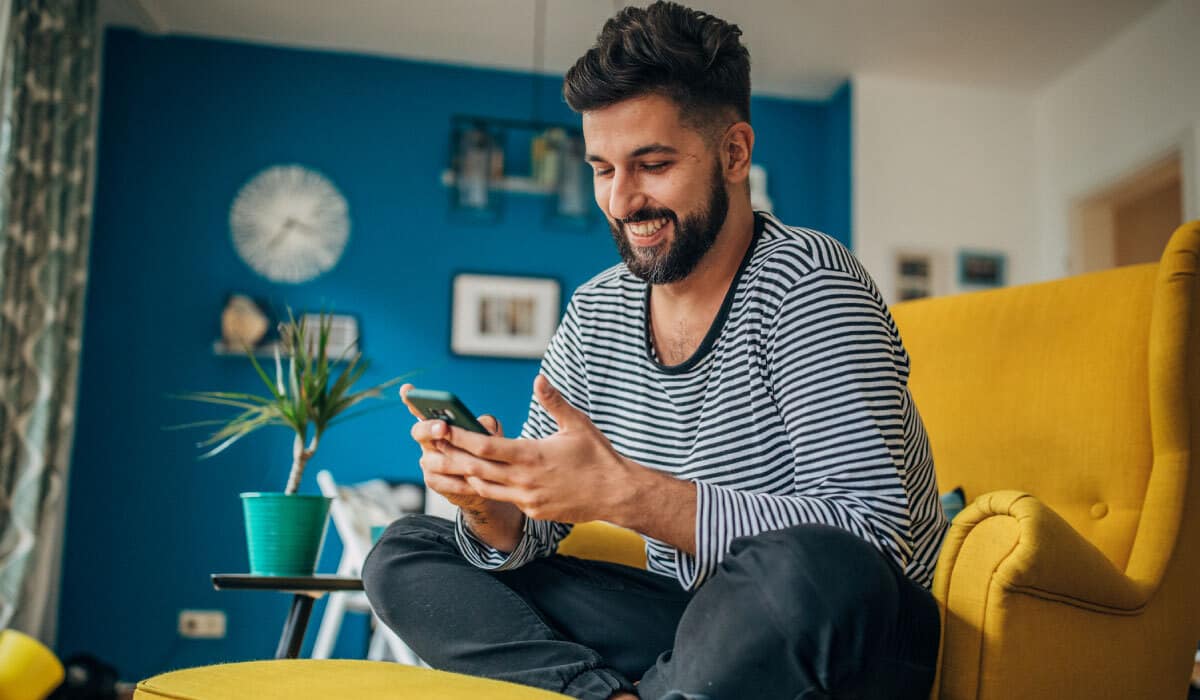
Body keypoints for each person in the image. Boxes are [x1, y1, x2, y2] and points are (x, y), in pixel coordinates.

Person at [363, 3, 947, 698]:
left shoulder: (809, 284)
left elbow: (876, 539)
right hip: (698, 624)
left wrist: (630, 496)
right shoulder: (596, 311)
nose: (622, 200)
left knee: (805, 567)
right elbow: (537, 531)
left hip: (845, 629)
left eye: (653, 164)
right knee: (406, 552)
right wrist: (491, 503)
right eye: (603, 169)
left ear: (734, 153)